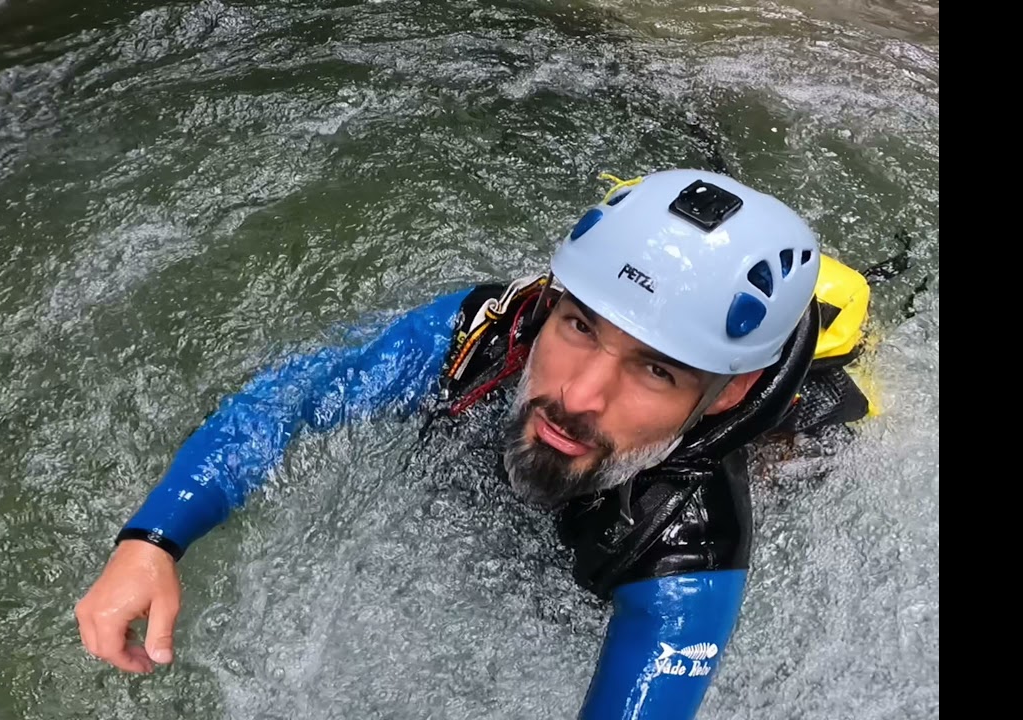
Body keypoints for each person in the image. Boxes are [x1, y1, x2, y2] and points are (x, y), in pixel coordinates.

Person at [75, 168, 885, 719]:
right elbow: (293, 398)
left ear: (730, 391)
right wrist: (153, 539)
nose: (577, 395)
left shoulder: (688, 550)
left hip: (784, 430)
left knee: (810, 447)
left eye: (656, 370)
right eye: (580, 326)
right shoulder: (486, 334)